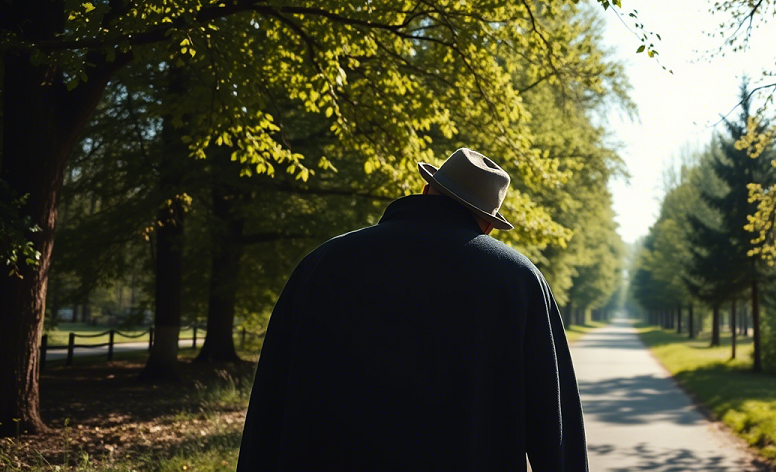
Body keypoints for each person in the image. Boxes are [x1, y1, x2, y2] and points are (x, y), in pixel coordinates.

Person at [237, 148, 587, 471]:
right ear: (488, 223)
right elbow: (553, 423)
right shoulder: (519, 281)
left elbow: (270, 401)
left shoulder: (324, 263)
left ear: (425, 189)